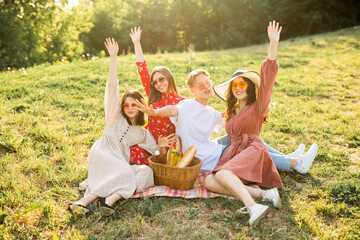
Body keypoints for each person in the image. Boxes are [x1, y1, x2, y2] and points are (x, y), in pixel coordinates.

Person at [129, 26, 312, 173]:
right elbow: (173, 110)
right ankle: (294, 163)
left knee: (249, 138)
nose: (207, 87)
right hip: (194, 152)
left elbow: (226, 120)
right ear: (192, 90)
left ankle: (287, 158)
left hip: (206, 146)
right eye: (201, 85)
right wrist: (154, 112)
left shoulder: (207, 110)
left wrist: (243, 106)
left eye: (208, 83)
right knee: (248, 144)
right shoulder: (185, 104)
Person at [205, 21, 315, 226]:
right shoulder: (231, 111)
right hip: (236, 153)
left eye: (242, 84)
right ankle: (266, 196)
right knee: (210, 181)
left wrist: (273, 46)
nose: (238, 87)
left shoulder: (258, 106)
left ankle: (253, 207)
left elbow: (268, 79)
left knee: (222, 173)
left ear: (249, 87)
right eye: (235, 85)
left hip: (253, 151)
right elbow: (222, 130)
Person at [67, 38, 173, 216]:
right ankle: (83, 202)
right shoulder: (114, 118)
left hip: (120, 163)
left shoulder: (142, 132)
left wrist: (161, 147)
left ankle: (107, 201)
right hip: (104, 154)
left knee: (146, 172)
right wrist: (113, 58)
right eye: (126, 105)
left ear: (140, 106)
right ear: (122, 107)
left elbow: (156, 153)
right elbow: (112, 86)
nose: (130, 108)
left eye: (134, 105)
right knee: (123, 171)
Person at [129, 27, 185, 165]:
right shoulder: (153, 96)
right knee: (127, 154)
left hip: (165, 148)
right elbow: (142, 68)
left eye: (162, 79)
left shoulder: (182, 102)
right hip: (147, 142)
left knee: (149, 165)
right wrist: (137, 43)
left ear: (169, 78)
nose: (158, 84)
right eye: (154, 82)